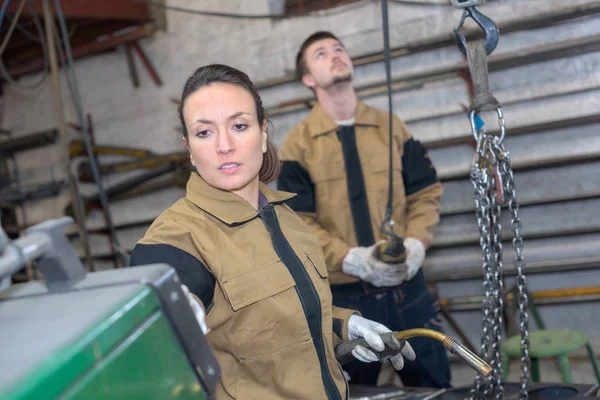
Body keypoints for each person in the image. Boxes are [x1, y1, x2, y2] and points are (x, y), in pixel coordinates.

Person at [129, 64, 416, 400]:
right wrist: (163, 316)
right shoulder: (177, 235)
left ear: (263, 135)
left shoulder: (287, 217)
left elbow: (278, 318)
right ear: (189, 149)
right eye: (204, 133)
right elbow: (162, 294)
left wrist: (343, 325)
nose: (224, 146)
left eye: (239, 126)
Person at [277, 32, 452, 388]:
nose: (335, 55)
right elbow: (298, 223)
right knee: (353, 393)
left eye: (339, 49)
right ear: (308, 79)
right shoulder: (297, 145)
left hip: (409, 293)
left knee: (435, 388)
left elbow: (426, 193)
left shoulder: (392, 128)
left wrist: (417, 243)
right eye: (321, 54)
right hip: (348, 305)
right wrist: (350, 259)